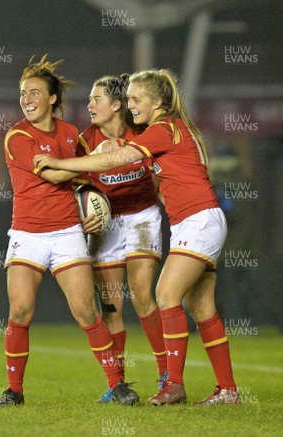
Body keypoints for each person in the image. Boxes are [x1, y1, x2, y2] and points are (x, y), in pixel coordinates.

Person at [34, 69, 239, 405]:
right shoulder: (165, 128)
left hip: (198, 220)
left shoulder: (162, 129)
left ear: (157, 102)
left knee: (164, 293)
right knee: (201, 308)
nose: (130, 105)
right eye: (128, 99)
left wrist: (59, 162)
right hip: (196, 221)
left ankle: (172, 382)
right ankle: (227, 391)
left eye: (135, 99)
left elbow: (118, 158)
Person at [0, 55, 139, 407]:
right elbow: (54, 175)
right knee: (21, 310)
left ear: (53, 98)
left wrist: (95, 210)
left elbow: (93, 178)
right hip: (27, 234)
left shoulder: (72, 134)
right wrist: (85, 168)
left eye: (34, 93)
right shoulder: (17, 136)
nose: (26, 99)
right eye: (23, 93)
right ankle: (14, 391)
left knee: (87, 311)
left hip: (66, 233)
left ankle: (117, 385)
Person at [78, 74, 167, 403]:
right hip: (108, 224)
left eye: (96, 99)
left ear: (117, 105)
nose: (89, 105)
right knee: (112, 306)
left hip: (142, 216)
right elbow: (77, 183)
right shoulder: (85, 140)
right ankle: (118, 384)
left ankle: (166, 376)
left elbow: (165, 168)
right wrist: (83, 211)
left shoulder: (142, 131)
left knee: (143, 295)